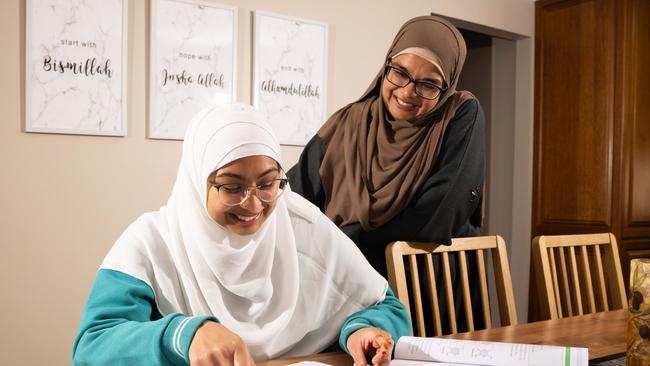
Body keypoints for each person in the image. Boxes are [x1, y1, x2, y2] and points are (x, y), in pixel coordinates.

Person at [72, 103, 410, 366]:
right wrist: (184, 336)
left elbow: (388, 307)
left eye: (267, 183)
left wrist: (362, 331)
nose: (253, 205)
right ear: (197, 181)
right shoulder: (151, 241)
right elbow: (92, 347)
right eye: (232, 187)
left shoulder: (304, 227)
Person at [287, 15, 485, 333]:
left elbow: (438, 214)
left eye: (428, 83)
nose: (407, 91)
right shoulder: (347, 122)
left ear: (446, 86)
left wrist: (344, 241)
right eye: (400, 73)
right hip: (350, 290)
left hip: (430, 286)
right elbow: (295, 199)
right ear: (386, 65)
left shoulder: (459, 113)